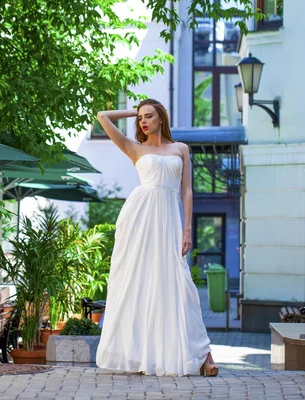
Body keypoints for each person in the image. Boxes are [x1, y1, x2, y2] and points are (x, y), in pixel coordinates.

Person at [94, 98, 218, 377]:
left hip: (170, 220)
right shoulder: (134, 148)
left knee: (180, 281)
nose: (143, 122)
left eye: (149, 116)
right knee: (140, 282)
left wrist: (187, 229)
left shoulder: (181, 149)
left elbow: (187, 191)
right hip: (139, 220)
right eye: (140, 118)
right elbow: (102, 116)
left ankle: (203, 352)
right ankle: (143, 355)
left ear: (161, 118)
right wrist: (133, 110)